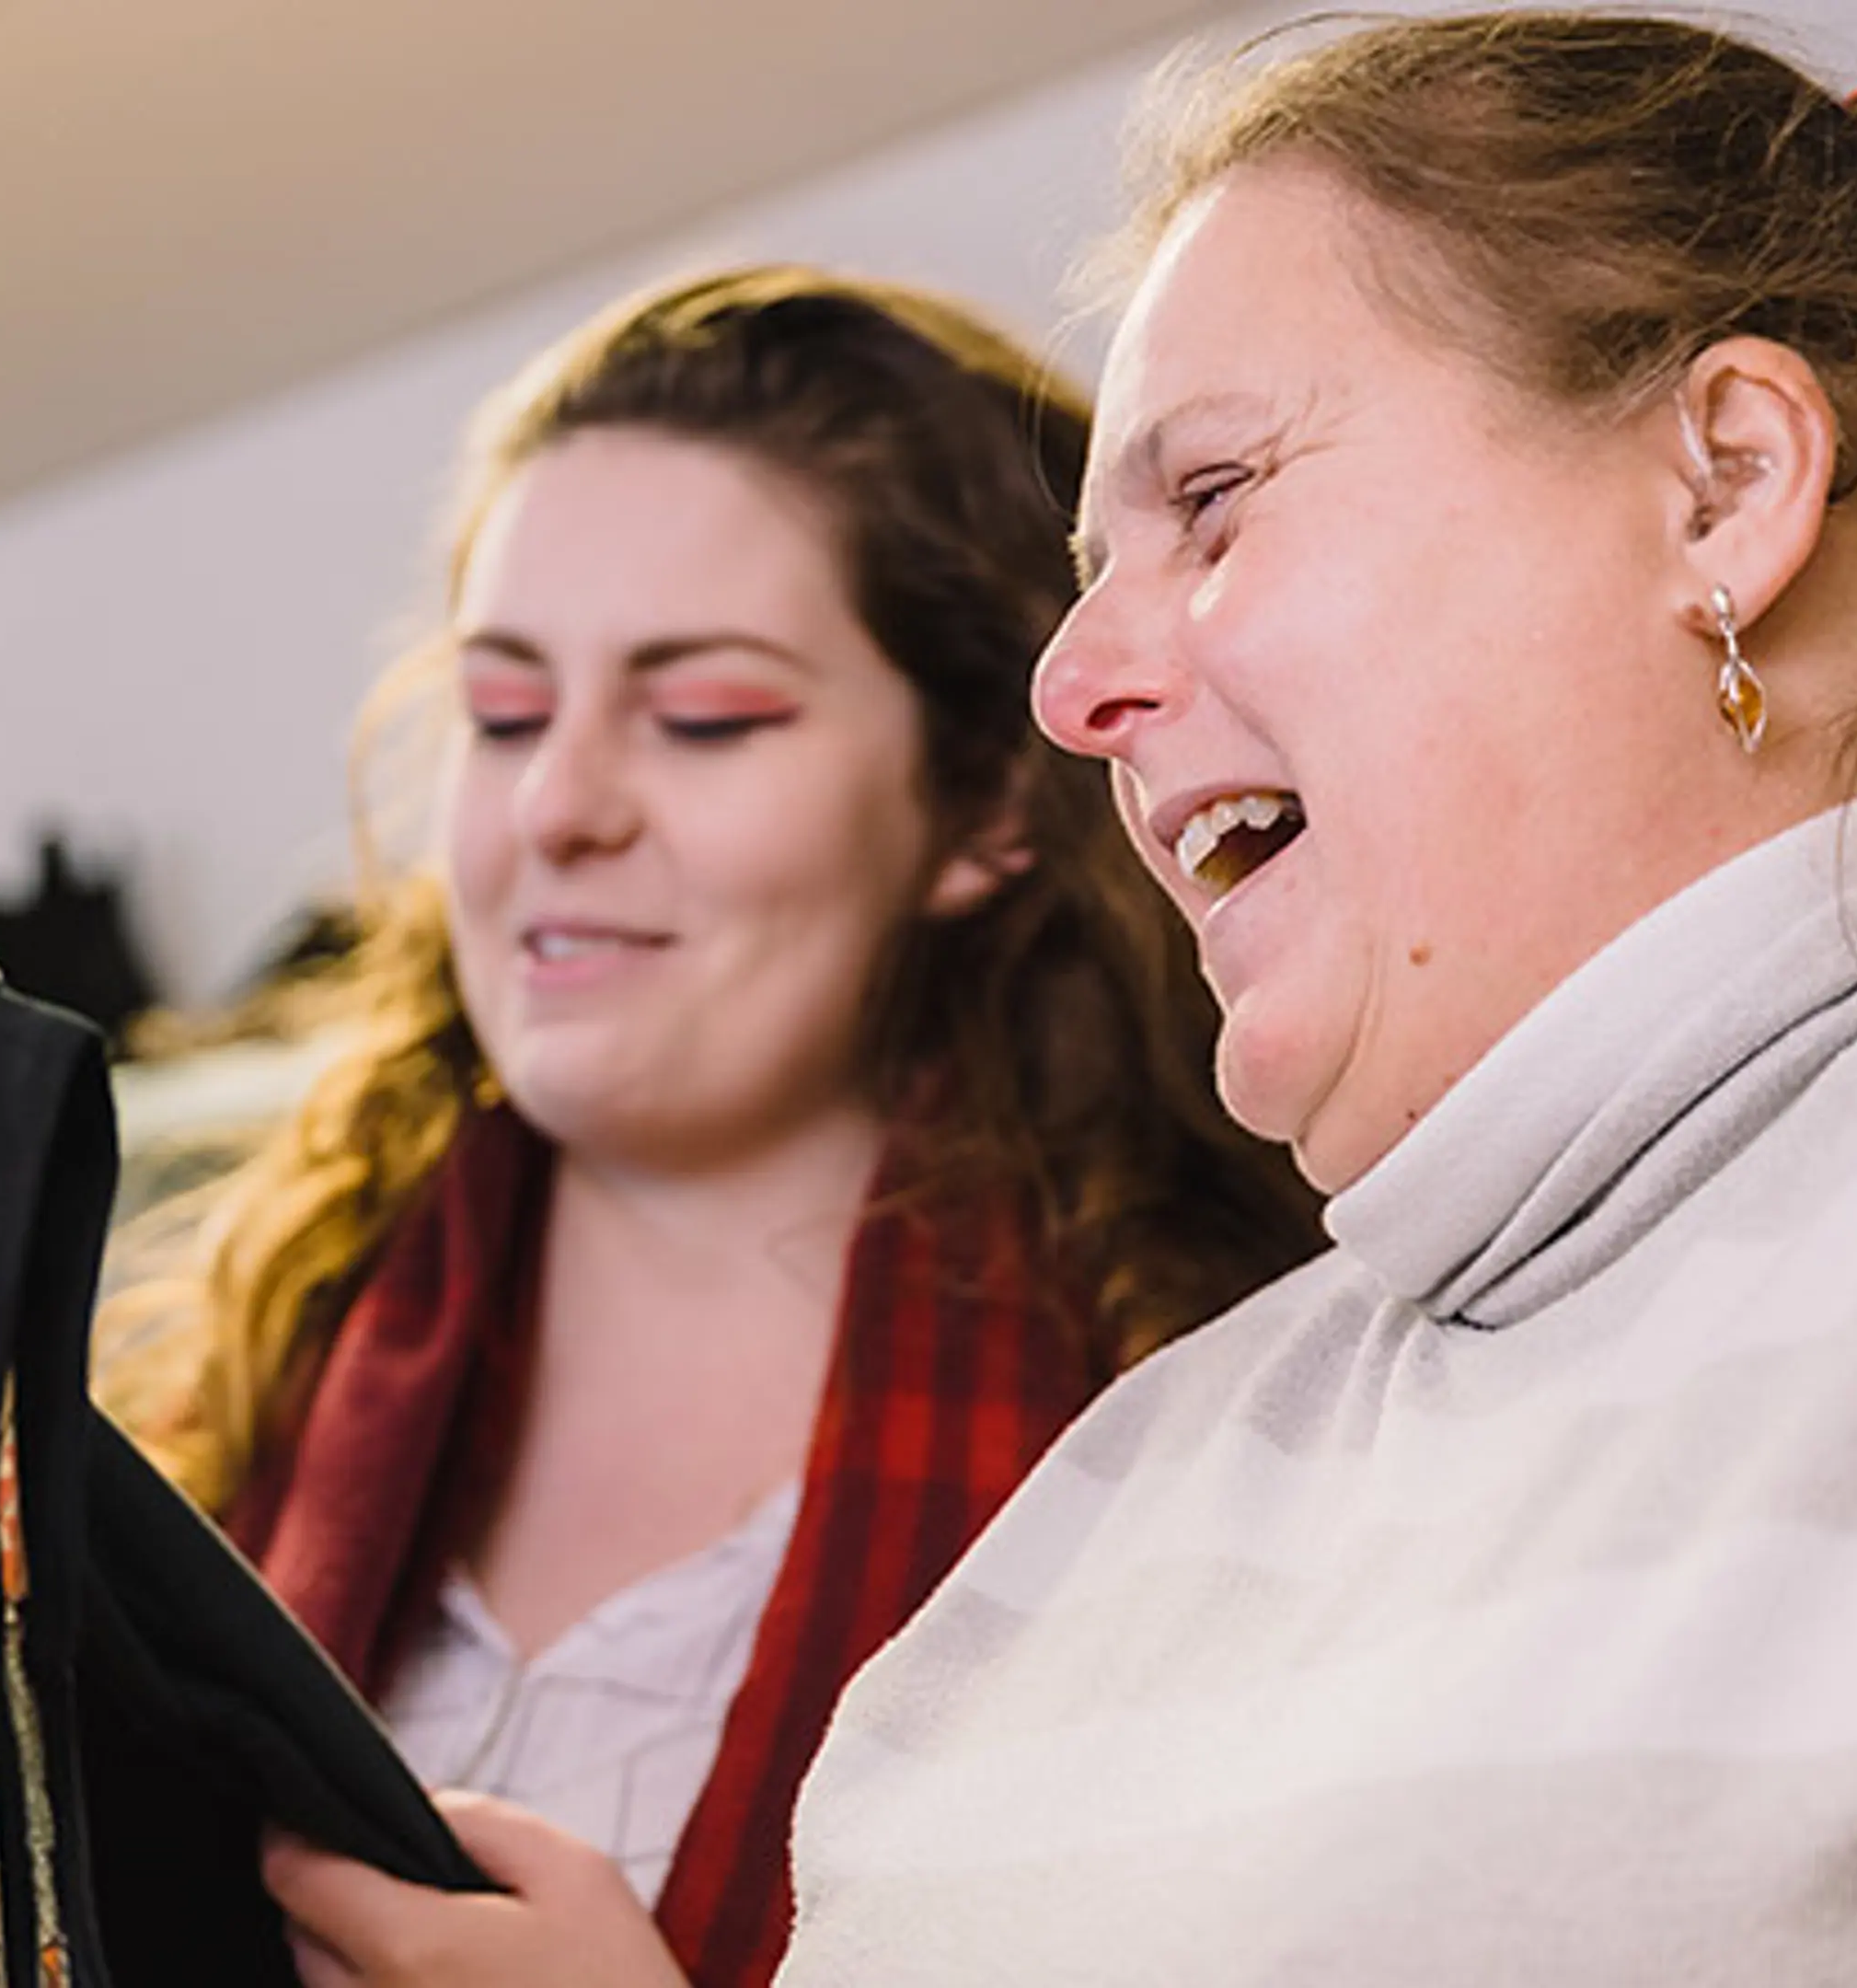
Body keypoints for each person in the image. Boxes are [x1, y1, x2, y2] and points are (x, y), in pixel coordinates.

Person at [265, 13, 1857, 1984]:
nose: (1071, 684)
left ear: (1726, 483)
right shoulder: (1118, 1494)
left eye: (1217, 499)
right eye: (505, 713)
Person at [96, 266, 1321, 1986]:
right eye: (505, 716)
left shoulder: (1224, 1465)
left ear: (986, 801)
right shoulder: (230, 1416)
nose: (561, 806)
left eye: (705, 719)